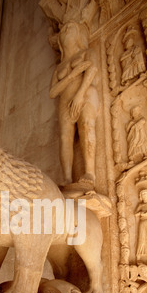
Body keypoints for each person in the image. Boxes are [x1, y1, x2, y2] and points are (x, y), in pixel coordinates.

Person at [49, 12, 99, 188]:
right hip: (65, 100)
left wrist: (79, 94)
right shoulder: (60, 67)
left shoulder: (87, 52)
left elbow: (92, 70)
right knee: (65, 137)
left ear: (78, 34)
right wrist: (71, 76)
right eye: (62, 30)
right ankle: (67, 178)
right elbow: (53, 92)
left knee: (86, 125)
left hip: (85, 94)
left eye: (70, 27)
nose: (65, 31)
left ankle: (90, 172)